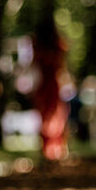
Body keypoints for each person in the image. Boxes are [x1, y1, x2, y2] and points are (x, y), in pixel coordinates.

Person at [31, 11, 69, 162]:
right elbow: (62, 66)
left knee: (46, 116)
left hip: (42, 85)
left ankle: (47, 150)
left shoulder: (37, 44)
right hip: (53, 84)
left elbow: (34, 64)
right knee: (56, 116)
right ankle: (56, 150)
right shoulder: (58, 44)